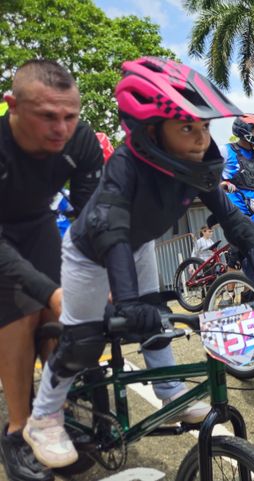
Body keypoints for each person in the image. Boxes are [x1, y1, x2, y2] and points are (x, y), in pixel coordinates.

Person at [24, 57, 254, 469]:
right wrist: (128, 302)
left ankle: (168, 392)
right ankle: (43, 417)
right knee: (84, 340)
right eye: (188, 127)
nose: (202, 138)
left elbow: (231, 217)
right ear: (151, 132)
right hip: (91, 253)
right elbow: (111, 232)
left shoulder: (195, 165)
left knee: (159, 319)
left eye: (204, 126)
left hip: (139, 244)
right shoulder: (125, 167)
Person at [0, 59, 104, 481]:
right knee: (22, 316)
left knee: (63, 317)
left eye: (69, 116)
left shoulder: (81, 141)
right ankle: (18, 430)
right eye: (47, 116)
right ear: (12, 106)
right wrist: (48, 292)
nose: (60, 128)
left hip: (38, 224)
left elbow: (92, 218)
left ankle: (53, 418)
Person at [221, 114, 254, 215]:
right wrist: (221, 184)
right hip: (234, 205)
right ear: (244, 131)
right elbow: (208, 173)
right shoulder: (225, 150)